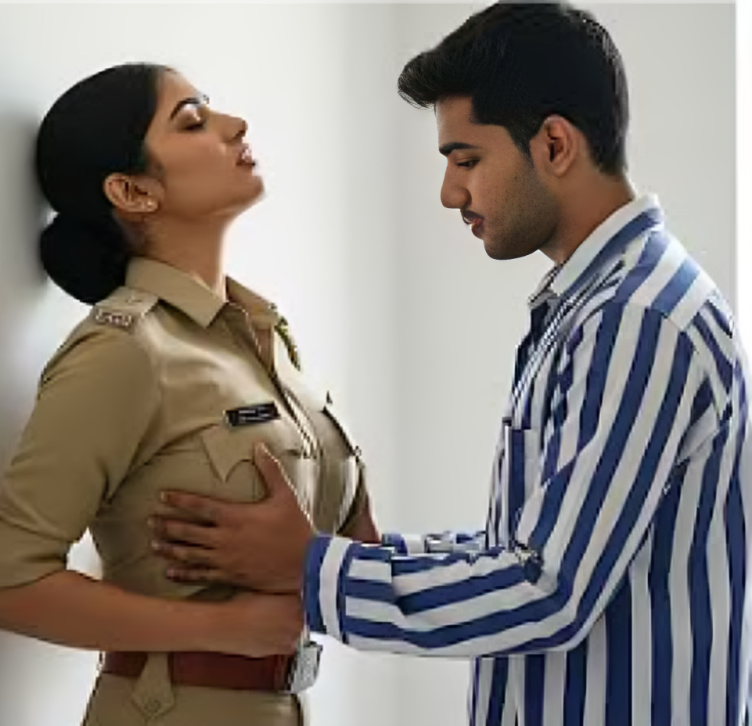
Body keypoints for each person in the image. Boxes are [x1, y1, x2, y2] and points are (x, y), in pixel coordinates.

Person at [150, 3, 752, 725]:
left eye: (466, 160)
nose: (449, 193)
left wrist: (312, 569)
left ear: (554, 145)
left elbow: (546, 590)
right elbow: (529, 550)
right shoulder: (606, 302)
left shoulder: (634, 318)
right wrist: (365, 554)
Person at [0, 62, 378, 726]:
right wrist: (221, 629)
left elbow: (350, 551)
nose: (235, 125)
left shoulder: (268, 342)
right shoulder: (124, 351)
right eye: (192, 121)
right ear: (133, 191)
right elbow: (1, 581)